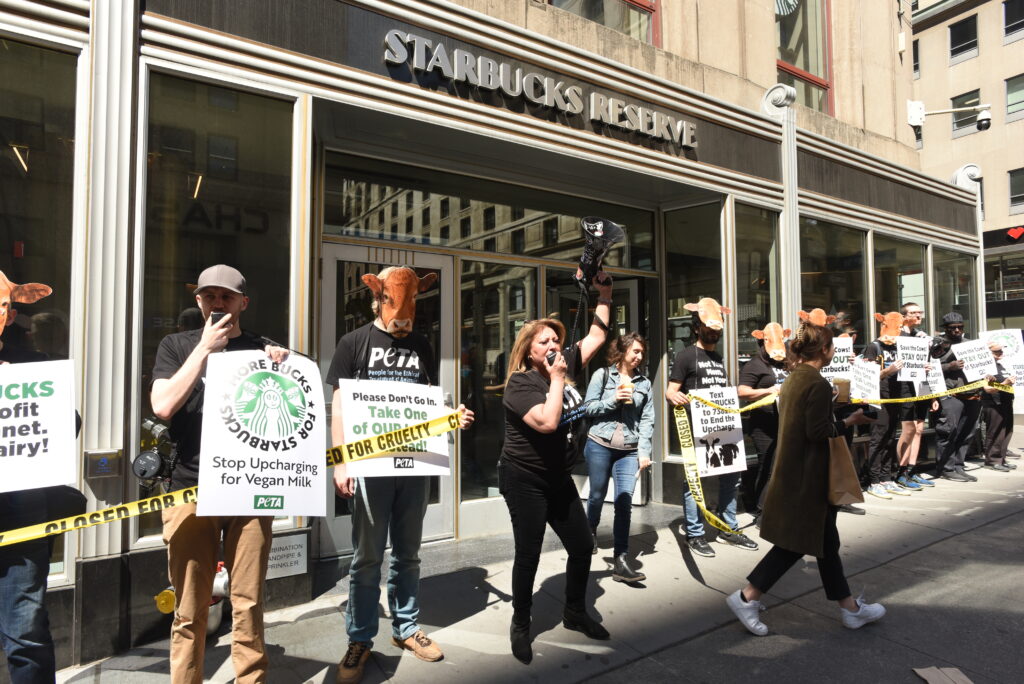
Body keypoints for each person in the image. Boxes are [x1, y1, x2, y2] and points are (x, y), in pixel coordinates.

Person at [328, 266, 474, 684]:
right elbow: (339, 404)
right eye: (395, 300)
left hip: (412, 463)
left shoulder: (421, 345)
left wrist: (450, 418)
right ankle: (360, 639)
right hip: (370, 466)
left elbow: (425, 404)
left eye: (412, 301)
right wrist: (342, 460)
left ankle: (406, 627)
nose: (404, 312)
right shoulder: (353, 342)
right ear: (377, 298)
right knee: (366, 557)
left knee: (408, 552)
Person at [151, 264, 290, 684]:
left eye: (226, 297)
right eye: (209, 296)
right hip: (190, 489)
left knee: (248, 601)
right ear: (198, 300)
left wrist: (283, 367)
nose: (217, 303)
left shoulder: (263, 349)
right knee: (189, 606)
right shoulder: (176, 345)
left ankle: (251, 678)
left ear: (243, 303)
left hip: (248, 489)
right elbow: (163, 406)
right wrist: (203, 349)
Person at [725, 320, 884, 636]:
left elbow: (805, 424)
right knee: (799, 543)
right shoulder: (817, 384)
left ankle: (850, 608)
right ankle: (747, 597)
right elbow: (818, 432)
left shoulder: (794, 378)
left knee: (824, 544)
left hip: (797, 473)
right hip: (810, 478)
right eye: (832, 345)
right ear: (824, 349)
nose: (834, 350)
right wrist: (850, 420)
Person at [500, 272, 614, 664]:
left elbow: (597, 336)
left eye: (556, 340)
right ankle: (521, 623)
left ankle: (574, 612)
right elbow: (548, 422)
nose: (553, 346)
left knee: (582, 545)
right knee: (528, 553)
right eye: (544, 342)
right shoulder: (521, 384)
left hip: (557, 477)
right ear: (528, 351)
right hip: (524, 478)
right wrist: (558, 378)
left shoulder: (561, 366)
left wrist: (604, 293)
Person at [667, 299, 758, 557]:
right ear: (697, 328)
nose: (714, 332)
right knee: (694, 482)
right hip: (698, 431)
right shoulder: (686, 356)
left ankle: (728, 529)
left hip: (723, 429)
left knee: (731, 478)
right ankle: (694, 534)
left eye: (717, 328)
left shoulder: (718, 358)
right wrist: (673, 396)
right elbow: (671, 391)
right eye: (709, 327)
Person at [582, 331, 654, 583]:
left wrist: (644, 452)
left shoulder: (644, 383)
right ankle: (590, 529)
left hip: (630, 450)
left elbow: (647, 420)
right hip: (599, 444)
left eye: (642, 352)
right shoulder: (602, 375)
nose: (639, 356)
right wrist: (613, 399)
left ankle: (620, 560)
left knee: (624, 502)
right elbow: (588, 407)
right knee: (597, 495)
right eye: (635, 351)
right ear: (623, 351)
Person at [737, 323, 789, 519]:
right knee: (768, 467)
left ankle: (777, 507)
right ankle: (762, 511)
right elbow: (742, 391)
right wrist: (768, 390)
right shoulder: (754, 365)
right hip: (763, 426)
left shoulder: (784, 362)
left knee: (781, 467)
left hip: (784, 423)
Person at [860, 312, 910, 500]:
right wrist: (888, 370)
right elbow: (867, 376)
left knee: (890, 438)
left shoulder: (901, 346)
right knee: (878, 438)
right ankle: (874, 481)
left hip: (896, 397)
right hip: (879, 398)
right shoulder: (874, 347)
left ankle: (886, 478)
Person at [930, 312, 981, 482]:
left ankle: (958, 465)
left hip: (971, 394)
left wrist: (987, 373)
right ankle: (946, 467)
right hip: (950, 394)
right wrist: (949, 366)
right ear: (945, 329)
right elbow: (929, 367)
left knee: (967, 432)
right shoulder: (937, 345)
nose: (957, 330)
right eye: (953, 328)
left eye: (960, 327)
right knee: (948, 431)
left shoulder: (970, 344)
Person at [893, 303, 935, 490]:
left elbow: (929, 363)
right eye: (913, 313)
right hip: (905, 386)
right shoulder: (898, 336)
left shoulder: (921, 336)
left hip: (922, 385)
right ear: (903, 316)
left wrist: (932, 396)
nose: (918, 316)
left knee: (919, 428)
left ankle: (912, 469)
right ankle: (900, 472)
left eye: (920, 312)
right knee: (908, 429)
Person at [981, 341, 1016, 472]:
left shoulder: (1000, 365)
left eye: (1001, 350)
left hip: (1006, 402)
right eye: (997, 351)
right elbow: (988, 389)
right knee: (995, 432)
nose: (1000, 353)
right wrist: (1006, 383)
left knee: (1006, 431)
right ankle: (992, 460)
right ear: (988, 353)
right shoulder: (985, 367)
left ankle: (1001, 458)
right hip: (994, 403)